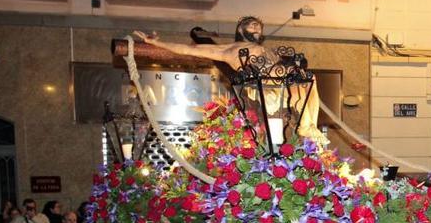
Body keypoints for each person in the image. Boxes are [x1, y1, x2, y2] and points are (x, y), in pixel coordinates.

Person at [133, 17, 324, 146]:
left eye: (259, 25)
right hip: (260, 91)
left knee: (309, 78)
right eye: (252, 24)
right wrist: (155, 42)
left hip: (281, 89)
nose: (257, 27)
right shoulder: (229, 50)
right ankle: (302, 129)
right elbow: (187, 49)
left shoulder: (268, 51)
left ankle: (307, 127)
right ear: (240, 29)